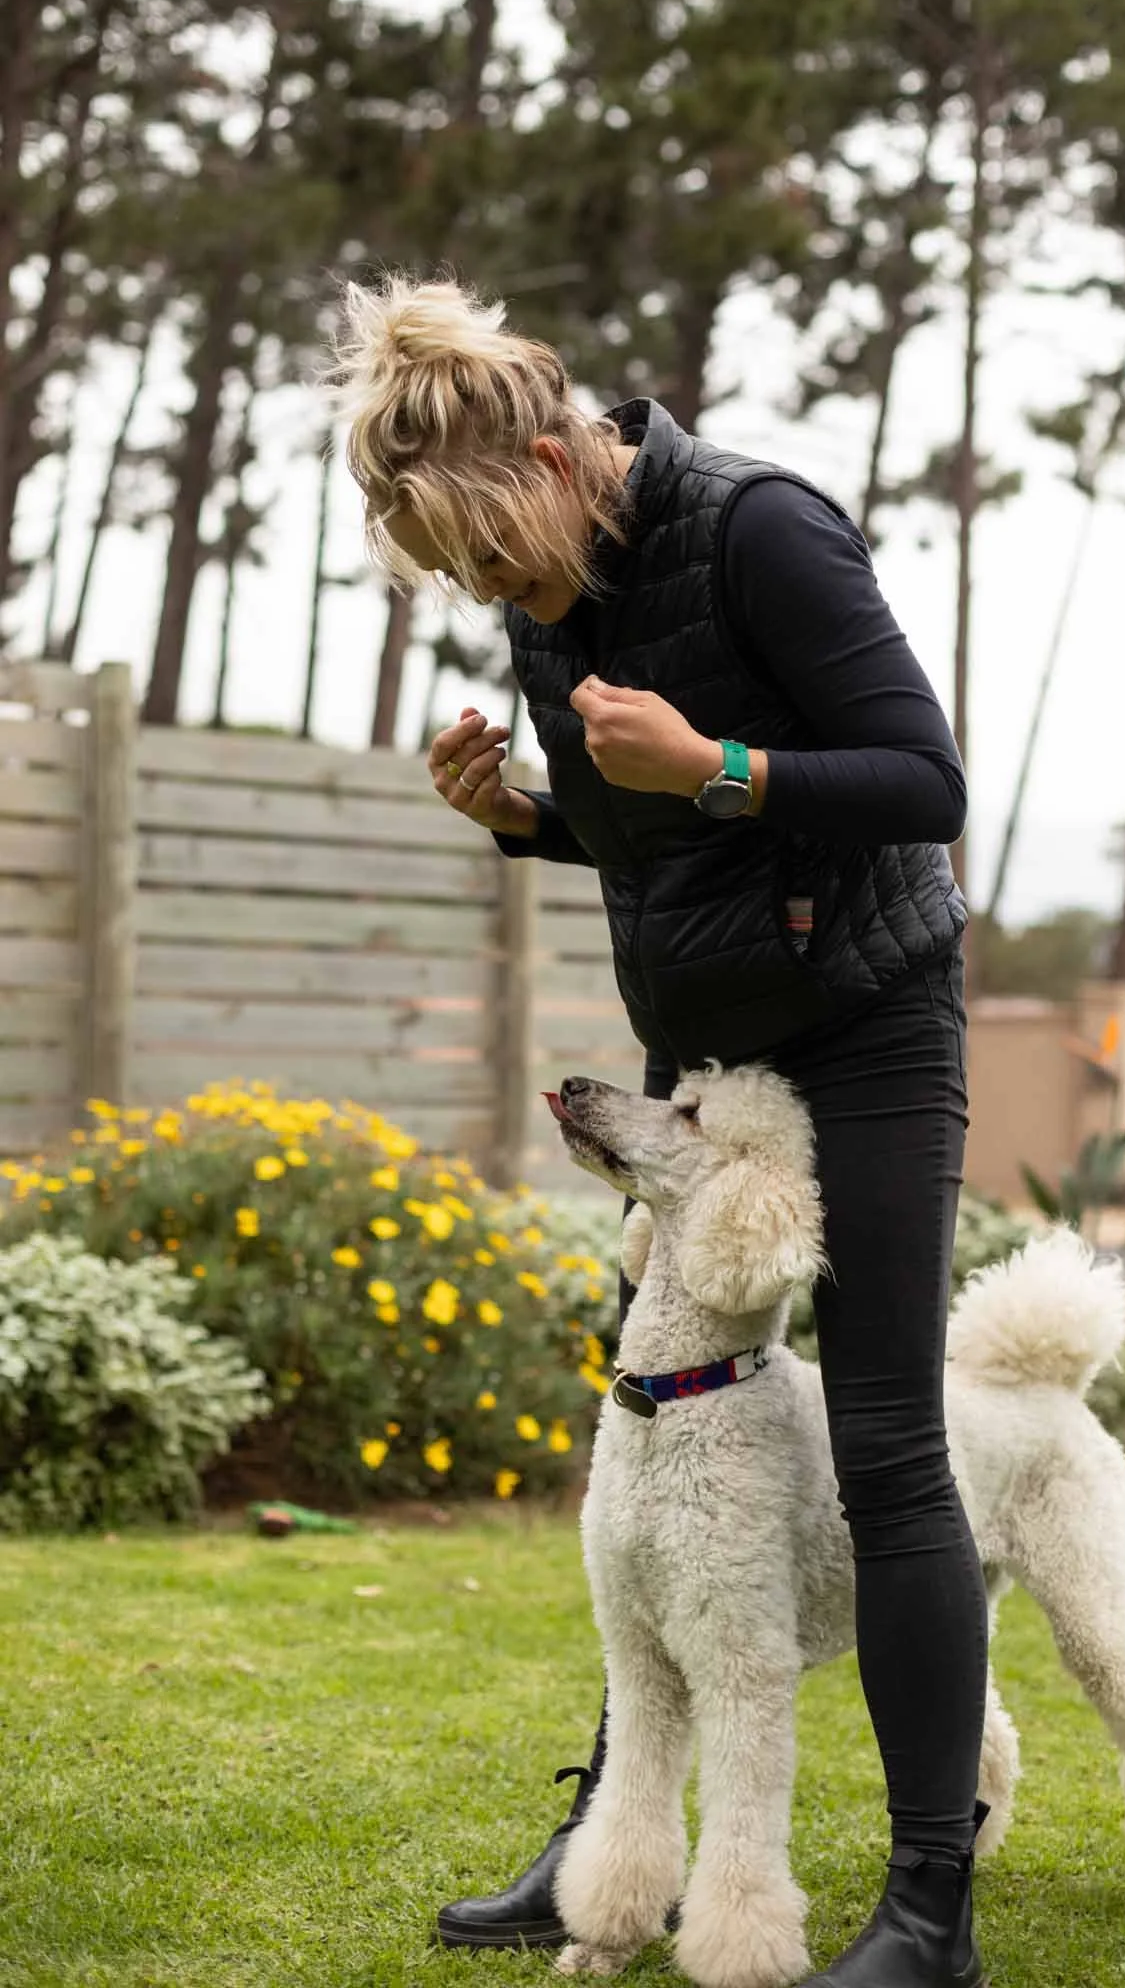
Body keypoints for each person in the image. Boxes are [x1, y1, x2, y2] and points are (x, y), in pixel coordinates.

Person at [335, 272, 991, 1988]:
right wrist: (526, 817)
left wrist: (717, 765)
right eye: (473, 582)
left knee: (889, 1443)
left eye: (501, 560)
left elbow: (924, 781)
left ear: (556, 461)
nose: (502, 597)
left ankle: (931, 1906)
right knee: (650, 1453)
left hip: (867, 1036)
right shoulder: (552, 596)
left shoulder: (765, 528)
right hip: (699, 1071)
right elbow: (650, 843)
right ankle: (606, 1844)